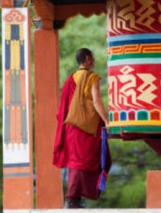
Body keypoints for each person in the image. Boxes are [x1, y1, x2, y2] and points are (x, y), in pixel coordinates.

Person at [52, 48, 111, 209]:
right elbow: (97, 102)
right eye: (92, 57)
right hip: (87, 128)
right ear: (87, 58)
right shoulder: (92, 77)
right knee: (80, 163)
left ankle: (76, 198)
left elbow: (64, 107)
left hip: (72, 127)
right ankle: (71, 198)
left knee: (77, 161)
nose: (94, 60)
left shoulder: (71, 79)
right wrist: (106, 121)